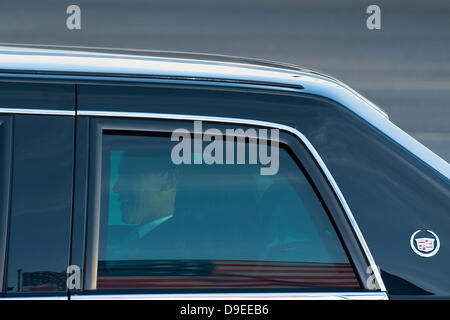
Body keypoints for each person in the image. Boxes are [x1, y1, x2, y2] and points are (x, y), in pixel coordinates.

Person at [109, 151, 178, 260]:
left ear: (167, 181)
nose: (116, 188)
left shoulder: (172, 249)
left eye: (128, 177)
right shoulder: (135, 238)